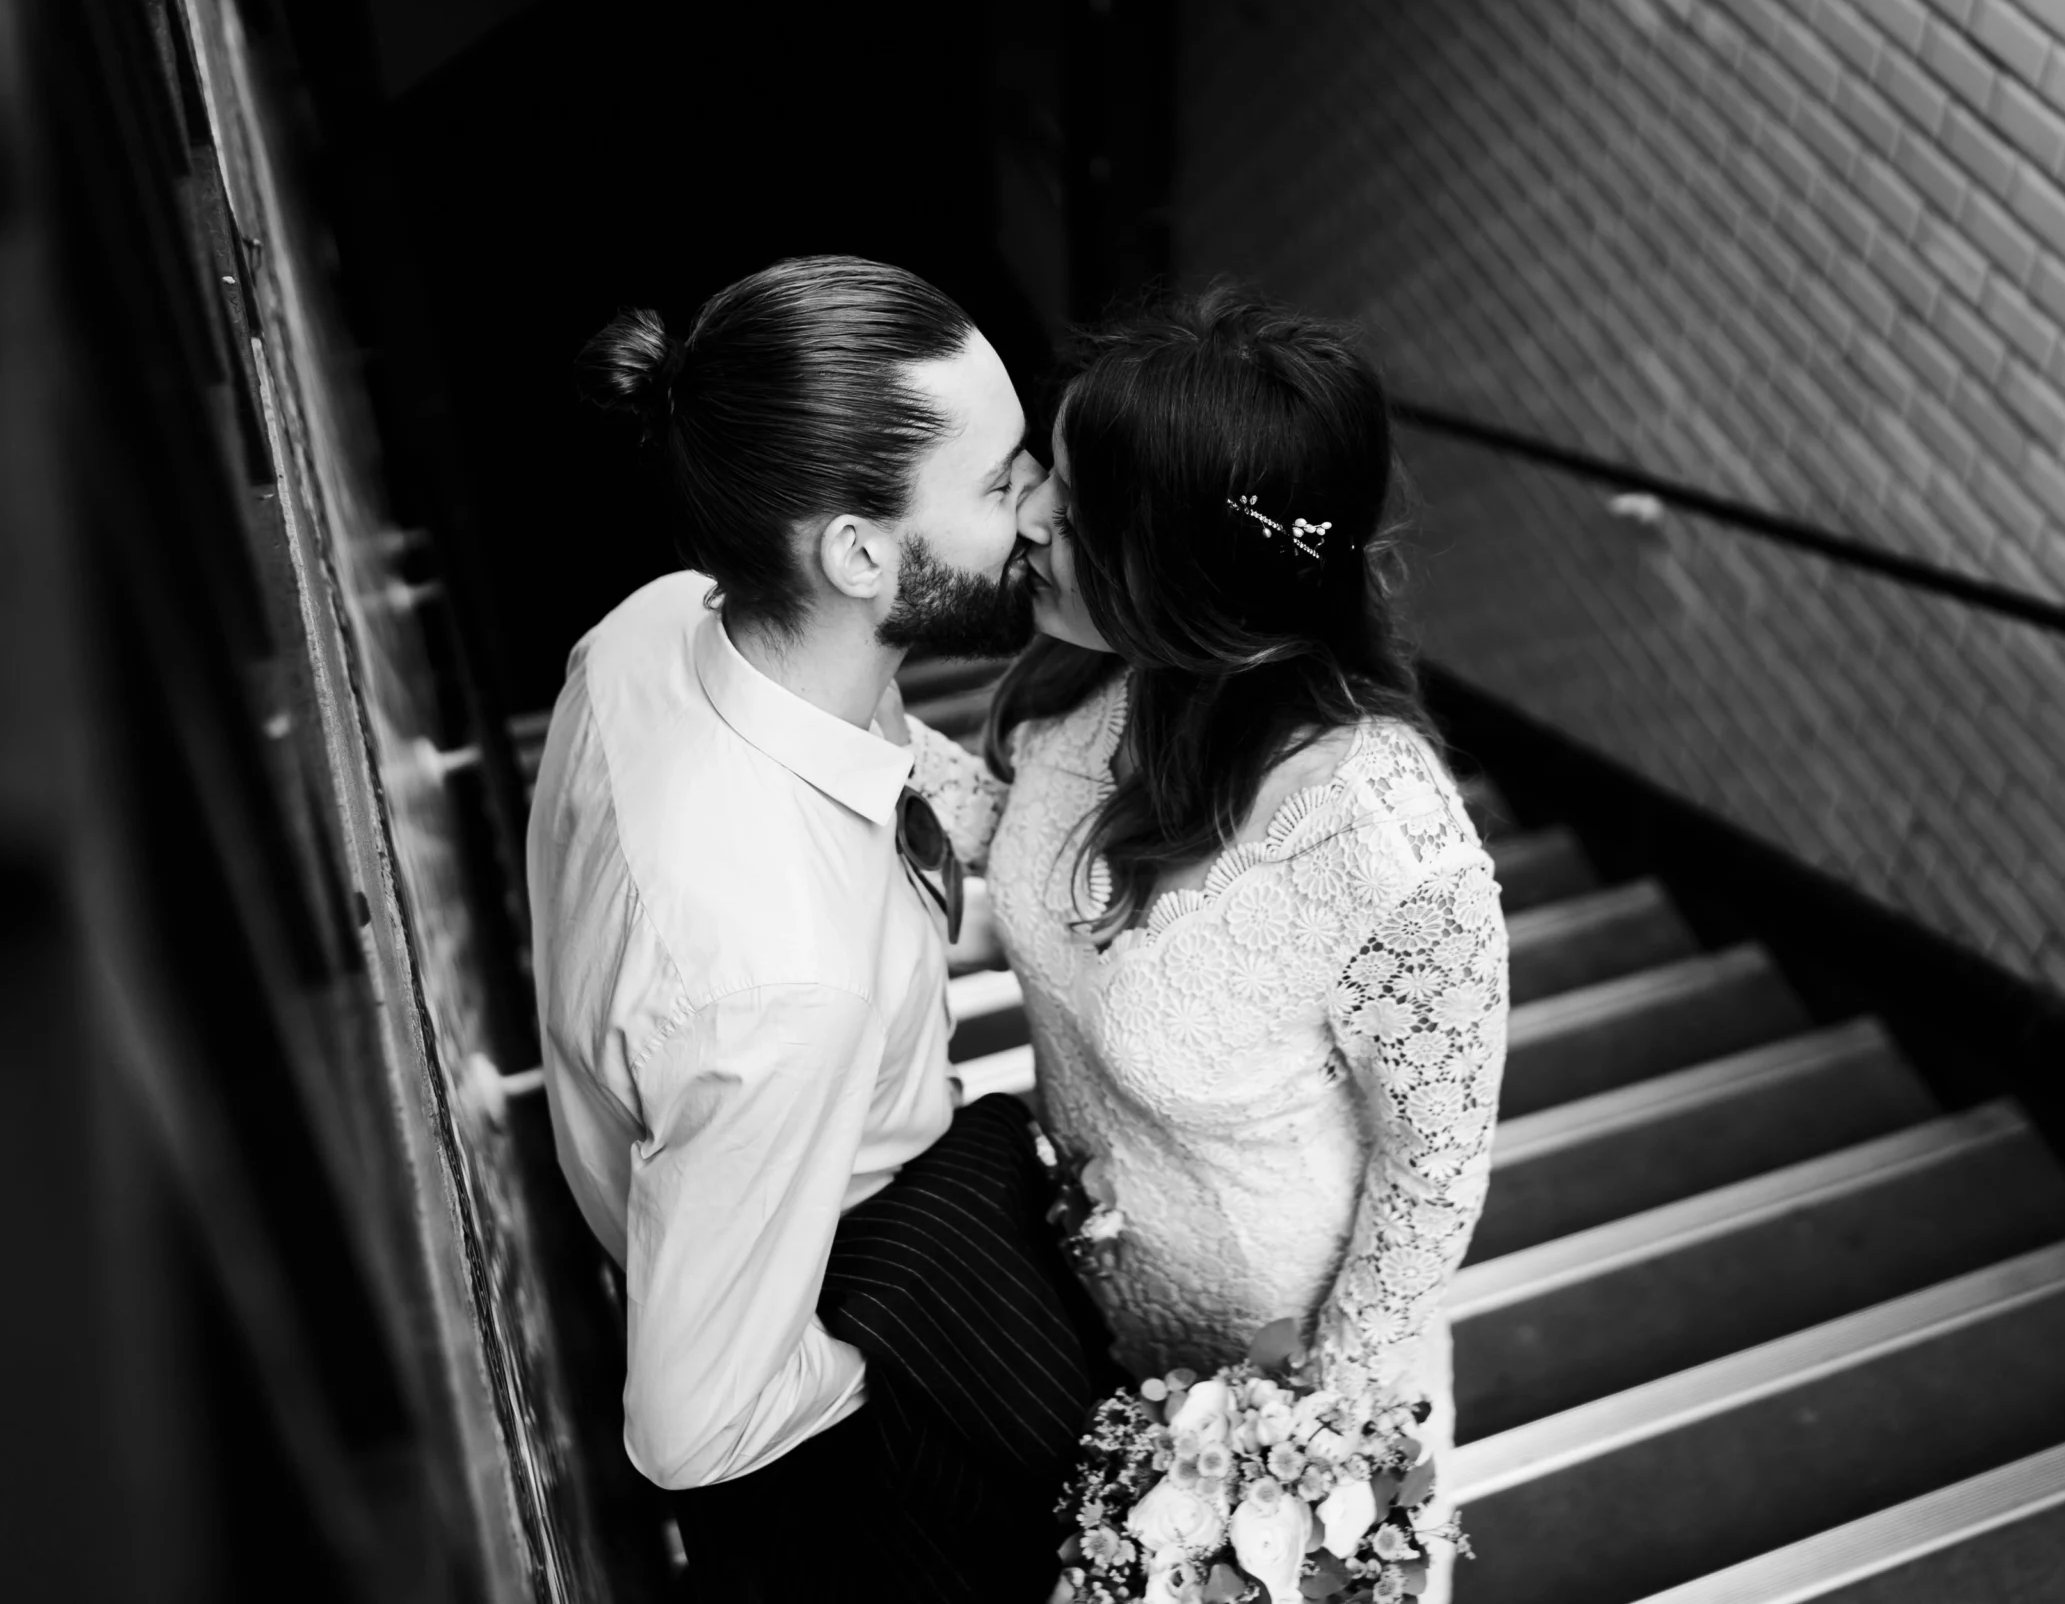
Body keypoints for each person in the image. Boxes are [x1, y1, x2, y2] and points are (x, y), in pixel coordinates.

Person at [893, 287, 1509, 1596]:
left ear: (1184, 562)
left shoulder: (1385, 847)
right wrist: (840, 737)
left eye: (1079, 495)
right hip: (1095, 1317)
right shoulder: (1095, 681)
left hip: (1279, 1380)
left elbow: (1434, 1171)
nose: (1036, 514)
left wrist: (1304, 1432)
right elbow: (1037, 867)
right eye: (1050, 469)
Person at [528, 254, 1108, 1601]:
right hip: (837, 1305)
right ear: (859, 553)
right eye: (1002, 478)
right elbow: (696, 1422)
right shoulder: (787, 981)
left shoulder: (667, 620)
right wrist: (915, 1344)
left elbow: (885, 768)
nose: (1040, 510)